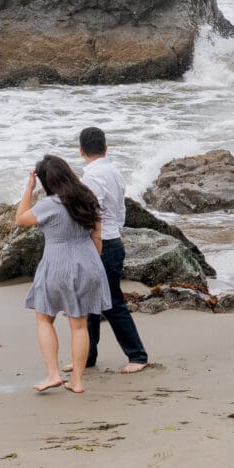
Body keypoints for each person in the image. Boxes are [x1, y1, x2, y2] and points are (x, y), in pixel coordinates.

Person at [15, 153, 112, 393]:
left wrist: (29, 187)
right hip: (88, 262)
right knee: (79, 325)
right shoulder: (87, 198)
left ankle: (53, 375)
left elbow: (20, 219)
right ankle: (77, 381)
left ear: (47, 181)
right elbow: (97, 235)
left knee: (44, 318)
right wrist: (94, 260)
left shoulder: (50, 204)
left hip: (57, 264)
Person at [77, 126, 149, 373]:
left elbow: (90, 213)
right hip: (113, 238)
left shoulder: (90, 178)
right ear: (106, 148)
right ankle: (86, 357)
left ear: (81, 151)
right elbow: (120, 210)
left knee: (111, 302)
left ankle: (137, 356)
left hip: (102, 243)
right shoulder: (115, 172)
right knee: (90, 302)